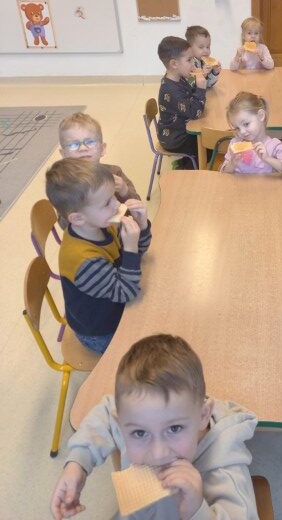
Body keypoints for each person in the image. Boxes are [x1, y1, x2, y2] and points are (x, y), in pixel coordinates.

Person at [50, 333, 259, 520]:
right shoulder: (139, 414)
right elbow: (106, 412)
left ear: (203, 416)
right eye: (140, 433)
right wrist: (78, 464)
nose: (158, 454)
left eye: (174, 429)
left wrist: (197, 512)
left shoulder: (225, 471)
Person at [45, 159, 151, 354]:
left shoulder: (102, 224)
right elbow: (126, 293)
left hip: (118, 302)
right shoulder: (83, 260)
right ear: (78, 218)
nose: (117, 204)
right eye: (107, 202)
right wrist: (130, 249)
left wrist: (142, 226)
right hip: (100, 332)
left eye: (114, 197)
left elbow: (139, 254)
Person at [59, 112, 140, 203]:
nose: (83, 148)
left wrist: (124, 190)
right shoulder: (62, 184)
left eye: (90, 142)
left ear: (102, 149)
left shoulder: (115, 172)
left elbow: (138, 205)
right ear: (63, 154)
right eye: (73, 145)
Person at [220, 91, 282, 178]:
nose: (242, 132)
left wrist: (267, 158)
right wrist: (232, 164)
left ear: (261, 116)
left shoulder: (274, 146)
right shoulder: (235, 143)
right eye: (237, 128)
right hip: (238, 186)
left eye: (246, 124)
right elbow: (222, 173)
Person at [157, 36, 207, 169]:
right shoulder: (171, 91)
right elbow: (196, 113)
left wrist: (201, 78)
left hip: (179, 129)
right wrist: (201, 89)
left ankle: (185, 162)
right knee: (206, 146)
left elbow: (190, 93)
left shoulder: (178, 77)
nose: (193, 64)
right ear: (174, 64)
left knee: (206, 141)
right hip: (175, 138)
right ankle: (184, 170)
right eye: (189, 60)